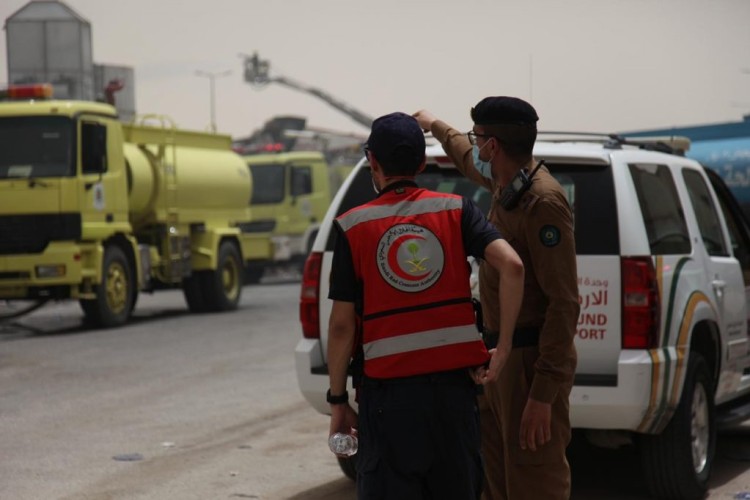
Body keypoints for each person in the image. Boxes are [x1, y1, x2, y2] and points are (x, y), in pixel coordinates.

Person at [326, 111, 525, 500]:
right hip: (454, 398)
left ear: (372, 160)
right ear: (420, 163)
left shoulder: (353, 227)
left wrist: (337, 401)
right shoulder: (457, 210)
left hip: (388, 403)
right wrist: (503, 348)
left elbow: (341, 327)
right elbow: (513, 266)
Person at [414, 98, 580, 500]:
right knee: (498, 483)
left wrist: (542, 394)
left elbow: (564, 303)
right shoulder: (507, 183)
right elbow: (467, 159)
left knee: (534, 480)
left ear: (495, 146)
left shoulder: (541, 202)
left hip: (528, 365)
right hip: (500, 360)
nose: (477, 147)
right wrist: (434, 124)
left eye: (480, 139)